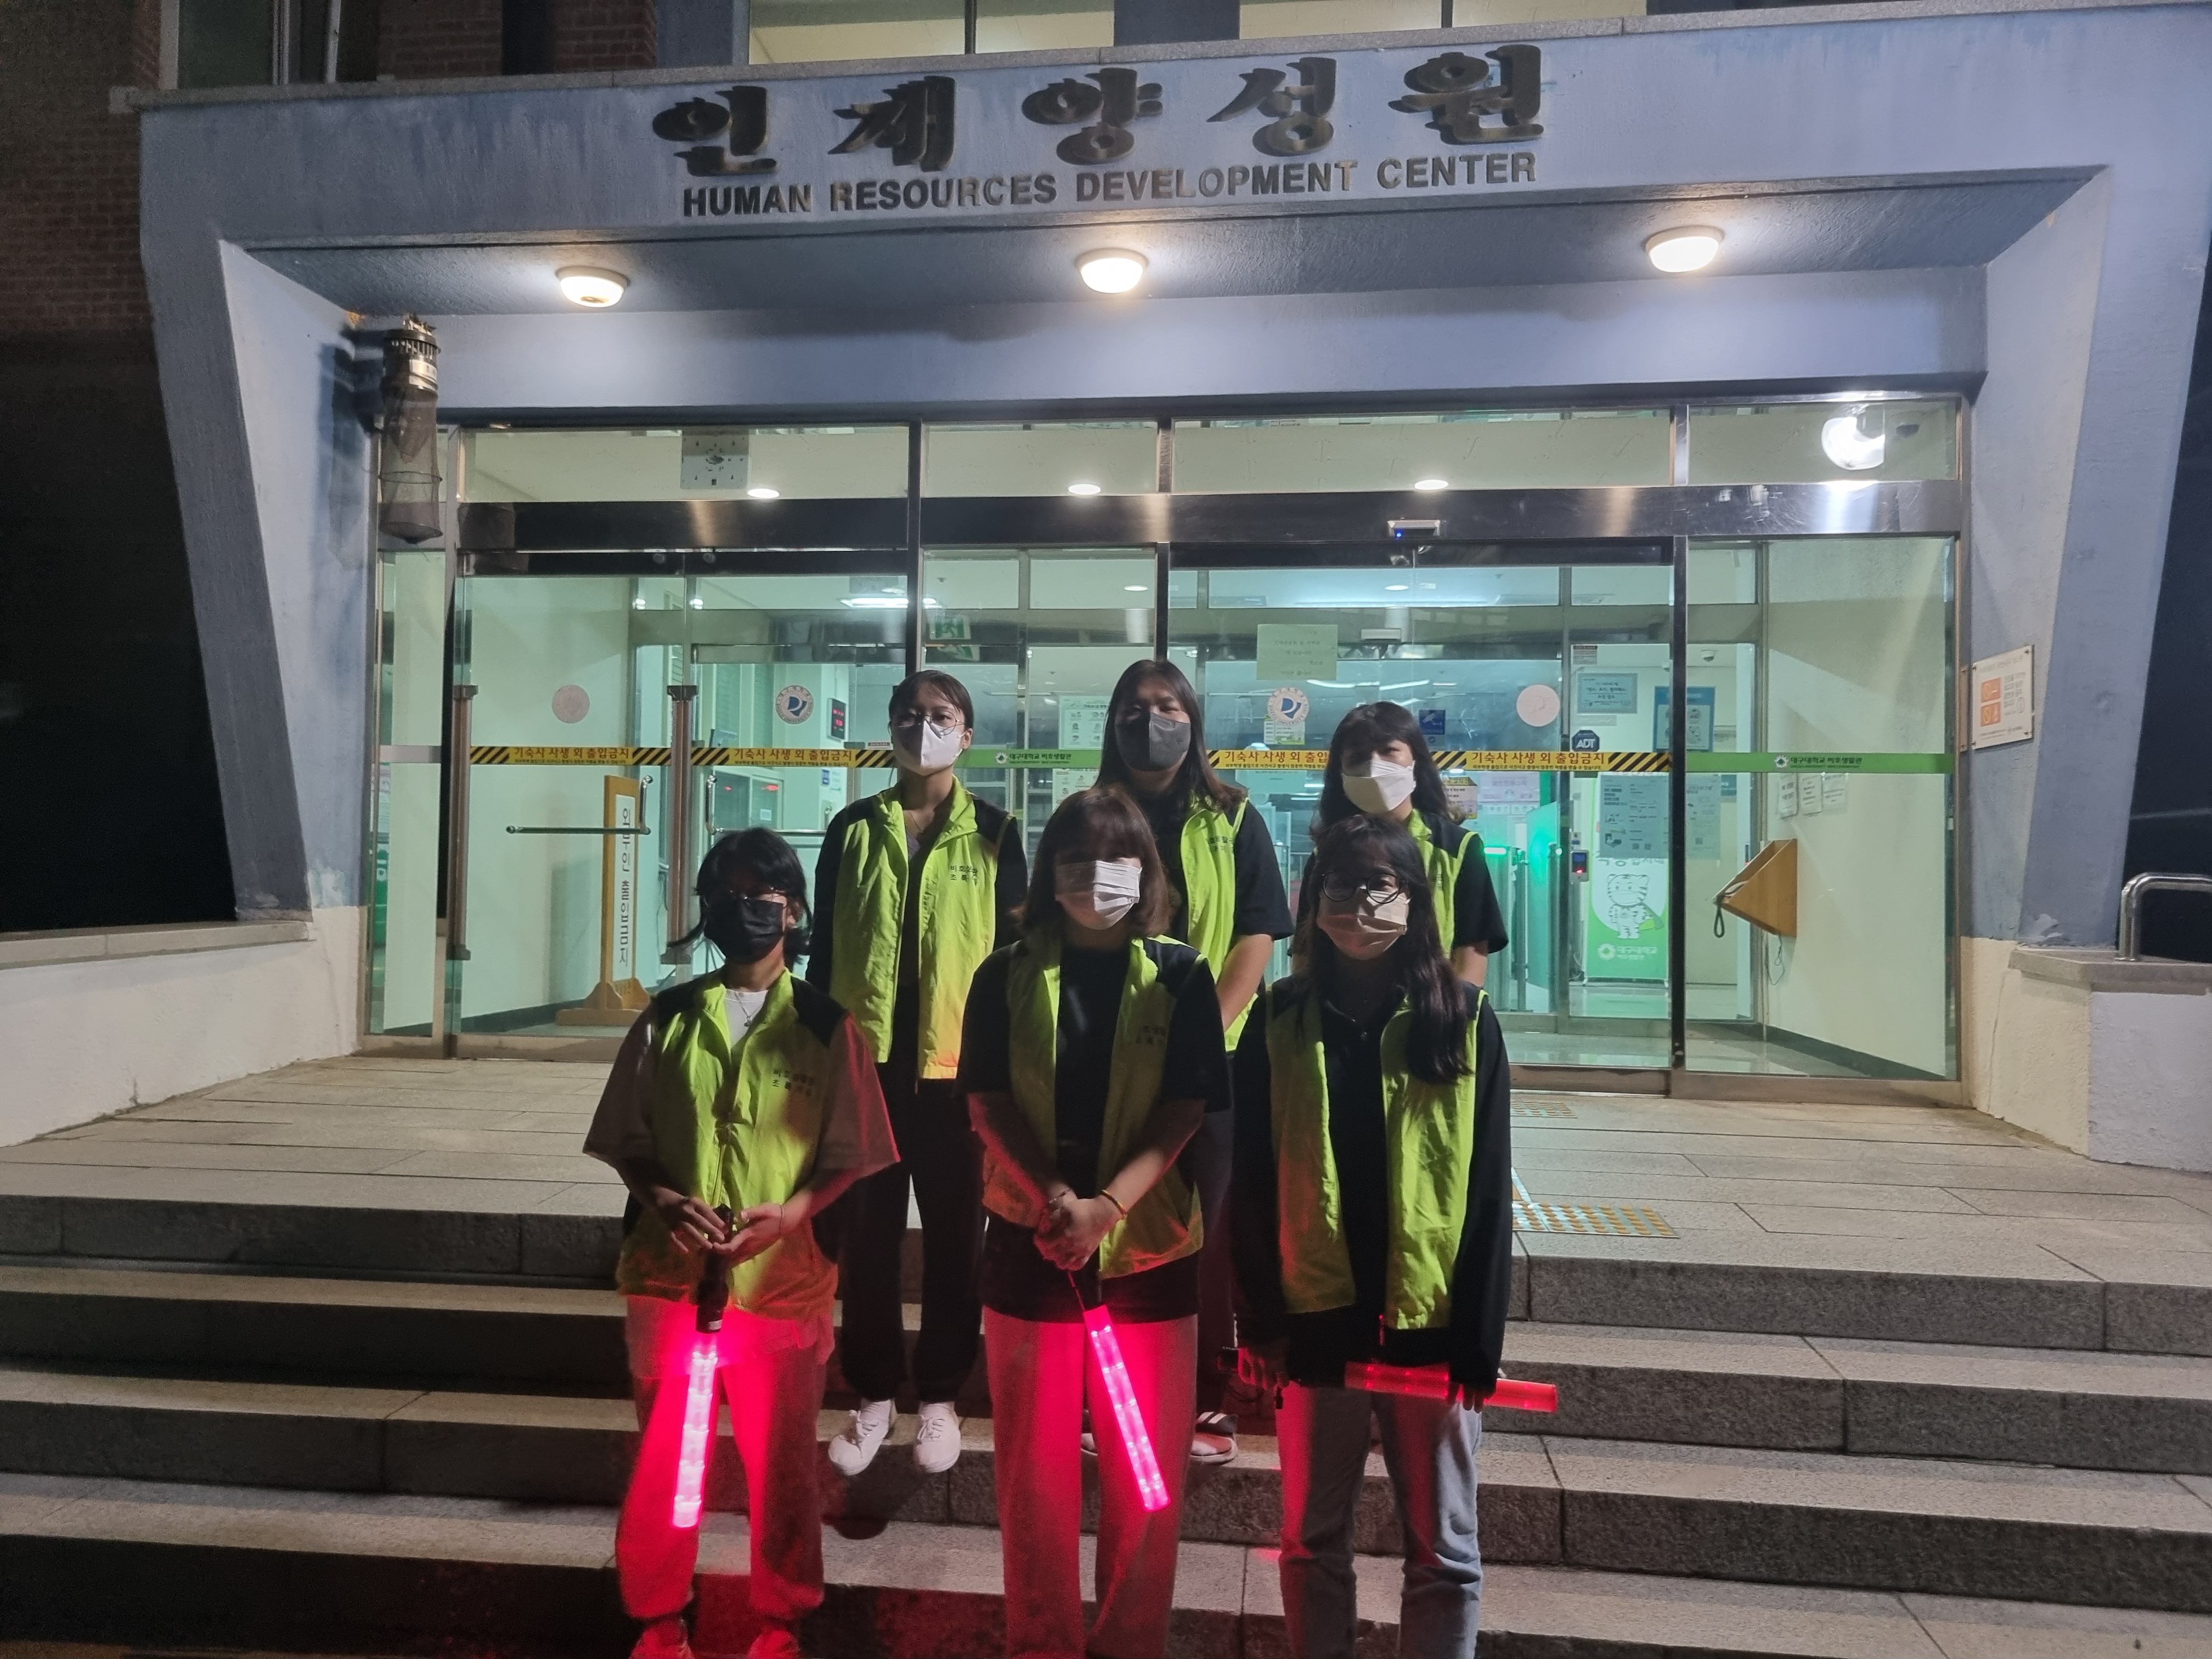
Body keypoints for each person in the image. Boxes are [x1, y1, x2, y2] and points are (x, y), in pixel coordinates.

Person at [585, 828, 897, 1659]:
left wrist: (793, 1216)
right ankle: (658, 1617)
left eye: (762, 894)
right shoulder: (669, 1017)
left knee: (783, 1465)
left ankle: (781, 1620)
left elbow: (854, 1153)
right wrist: (662, 1200)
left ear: (793, 910)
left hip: (782, 1283)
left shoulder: (828, 1027)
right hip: (671, 1279)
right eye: (726, 894)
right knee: (667, 1461)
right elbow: (625, 1137)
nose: (744, 908)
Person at [1231, 814, 1514, 1659]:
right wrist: (1262, 1321)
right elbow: (1249, 1177)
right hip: (1316, 1319)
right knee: (1312, 1542)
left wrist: (1481, 1335)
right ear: (1313, 901)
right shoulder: (1278, 1017)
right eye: (1340, 884)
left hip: (1434, 1324)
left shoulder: (1462, 1018)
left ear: (1414, 900)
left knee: (1445, 1551)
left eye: (1378, 885)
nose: (1358, 902)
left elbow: (1488, 1186)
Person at [958, 786, 1228, 1659]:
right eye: (1075, 859)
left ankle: (1129, 1643)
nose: (1095, 875)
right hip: (1029, 1246)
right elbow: (987, 1102)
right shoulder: (1002, 974)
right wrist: (1055, 1202)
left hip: (1150, 1256)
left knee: (1146, 1479)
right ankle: (1039, 1644)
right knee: (1032, 1480)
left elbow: (1188, 1107)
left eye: (1116, 858)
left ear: (1145, 871)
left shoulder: (1181, 975)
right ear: (1048, 872)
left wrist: (1107, 1208)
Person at [809, 670, 1026, 1477]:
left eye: (940, 716)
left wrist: (1005, 1069)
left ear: (967, 734)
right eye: (908, 715)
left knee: (955, 1239)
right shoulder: (853, 828)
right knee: (865, 1237)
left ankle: (939, 1395)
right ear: (889, 728)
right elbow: (825, 952)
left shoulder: (998, 834)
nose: (922, 727)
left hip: (958, 1071)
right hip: (866, 1066)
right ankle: (873, 1393)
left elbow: (1016, 962)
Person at [1095, 657, 1294, 1465]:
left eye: (1168, 706)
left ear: (1194, 720)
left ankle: (1204, 1392)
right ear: (1113, 724)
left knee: (1203, 1225)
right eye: (1135, 708)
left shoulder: (1234, 816)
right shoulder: (1094, 816)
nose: (1152, 720)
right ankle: (1107, 1391)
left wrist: (1208, 1029)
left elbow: (1257, 932)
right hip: (1106, 1049)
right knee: (1112, 1211)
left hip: (1216, 1056)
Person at [1306, 701, 1508, 986]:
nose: (1374, 766)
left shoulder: (1459, 848)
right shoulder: (1325, 854)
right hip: (1341, 1004)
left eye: (1389, 751)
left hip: (1432, 1004)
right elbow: (1307, 947)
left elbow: (1472, 950)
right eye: (1357, 757)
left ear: (1415, 761)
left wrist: (1458, 1008)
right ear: (1340, 772)